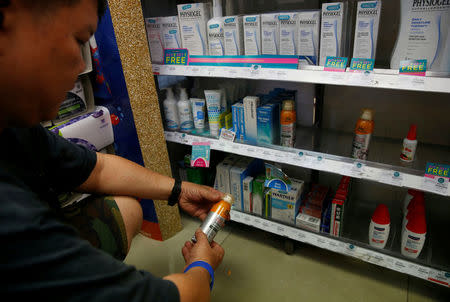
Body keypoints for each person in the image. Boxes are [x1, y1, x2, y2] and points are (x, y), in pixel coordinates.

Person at [0, 0, 225, 301]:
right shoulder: (12, 219)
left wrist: (178, 190)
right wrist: (202, 266)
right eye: (78, 39)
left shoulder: (15, 127)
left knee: (129, 209)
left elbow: (98, 169)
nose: (81, 65)